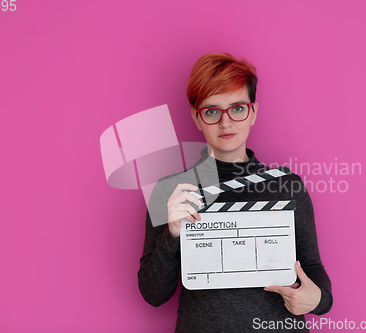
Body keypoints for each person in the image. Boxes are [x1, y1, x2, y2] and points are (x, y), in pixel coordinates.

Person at [138, 53, 332, 332]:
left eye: (237, 108)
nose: (226, 123)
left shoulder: (286, 186)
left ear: (253, 112)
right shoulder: (172, 192)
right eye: (212, 111)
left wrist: (319, 300)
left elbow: (312, 269)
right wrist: (171, 234)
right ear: (196, 117)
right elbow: (153, 295)